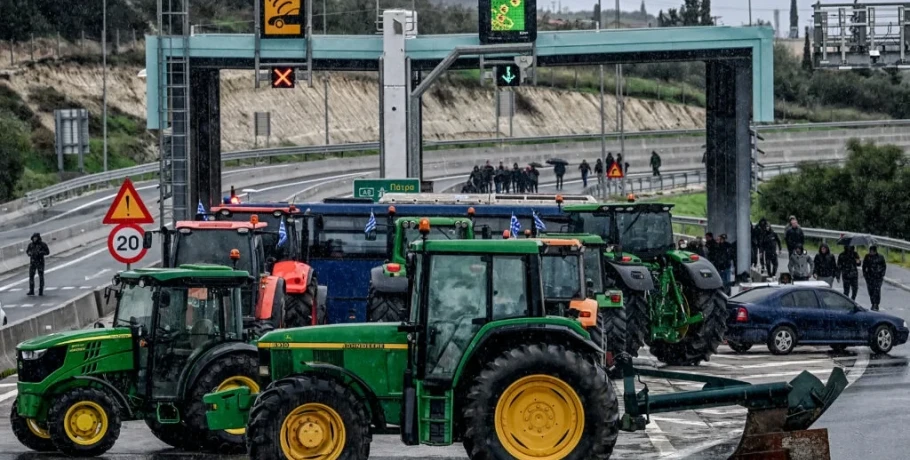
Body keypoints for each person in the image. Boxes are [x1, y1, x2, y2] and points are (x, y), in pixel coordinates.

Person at [863, 245, 887, 311]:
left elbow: (884, 266)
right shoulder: (867, 257)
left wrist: (882, 274)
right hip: (869, 277)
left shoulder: (880, 257)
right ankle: (873, 302)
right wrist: (865, 275)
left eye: (872, 252)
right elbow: (864, 266)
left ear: (875, 251)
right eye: (870, 251)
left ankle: (876, 304)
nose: (871, 253)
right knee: (871, 291)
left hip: (878, 277)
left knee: (877, 291)